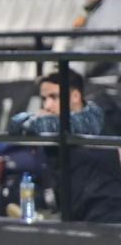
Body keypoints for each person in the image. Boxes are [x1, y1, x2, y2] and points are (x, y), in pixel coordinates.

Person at [8, 71, 121, 223]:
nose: (47, 105)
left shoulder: (96, 116)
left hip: (107, 213)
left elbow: (42, 125)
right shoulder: (54, 131)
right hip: (75, 215)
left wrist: (32, 121)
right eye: (44, 99)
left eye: (54, 97)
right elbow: (15, 124)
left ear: (75, 96)